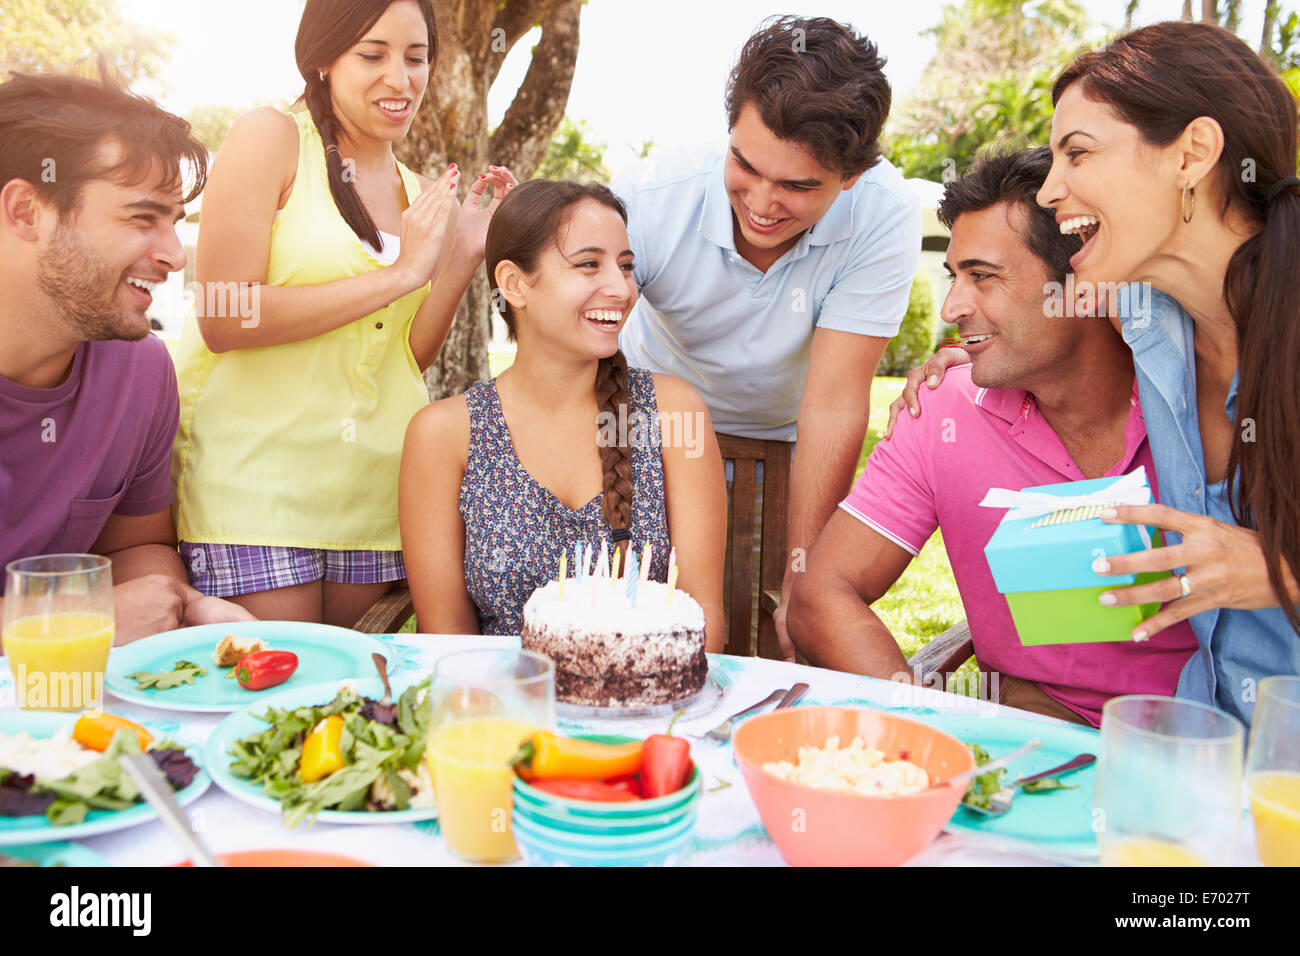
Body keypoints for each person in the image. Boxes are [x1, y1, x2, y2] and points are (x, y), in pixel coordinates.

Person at [887, 22, 1300, 723]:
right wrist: (981, 345)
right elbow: (1038, 318)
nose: (1051, 191)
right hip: (1215, 752)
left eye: (1077, 153)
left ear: (1193, 154)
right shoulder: (1144, 316)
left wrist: (1273, 572)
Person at [786, 148, 1198, 727]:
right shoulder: (943, 410)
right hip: (1033, 739)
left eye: (982, 277)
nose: (953, 306)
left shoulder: (1200, 402)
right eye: (954, 278)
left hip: (1207, 742)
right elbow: (820, 595)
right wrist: (927, 725)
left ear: (1083, 282)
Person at [171, 0, 516, 627]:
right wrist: (402, 274)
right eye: (372, 54)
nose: (401, 78)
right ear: (324, 60)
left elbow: (402, 356)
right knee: (278, 704)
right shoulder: (271, 138)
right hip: (256, 491)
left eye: (416, 58)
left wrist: (463, 250)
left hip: (374, 498)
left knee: (351, 705)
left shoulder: (416, 191)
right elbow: (223, 316)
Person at [610, 16, 921, 658]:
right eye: (745, 165)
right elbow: (577, 336)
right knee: (641, 628)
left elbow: (834, 402)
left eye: (798, 186)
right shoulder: (655, 195)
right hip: (650, 434)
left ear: (852, 176)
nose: (761, 201)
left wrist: (804, 582)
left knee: (779, 635)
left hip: (784, 445)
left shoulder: (884, 214)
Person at [400, 180, 726, 650]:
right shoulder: (445, 434)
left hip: (648, 712)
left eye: (626, 266)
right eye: (588, 264)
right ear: (514, 284)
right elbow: (446, 639)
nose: (620, 288)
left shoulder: (675, 413)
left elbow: (703, 614)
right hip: (506, 711)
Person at [0, 70, 253, 645]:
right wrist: (76, 623)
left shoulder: (139, 373)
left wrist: (182, 609)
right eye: (142, 218)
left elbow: (136, 547)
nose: (173, 256)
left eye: (173, 224)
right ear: (25, 212)